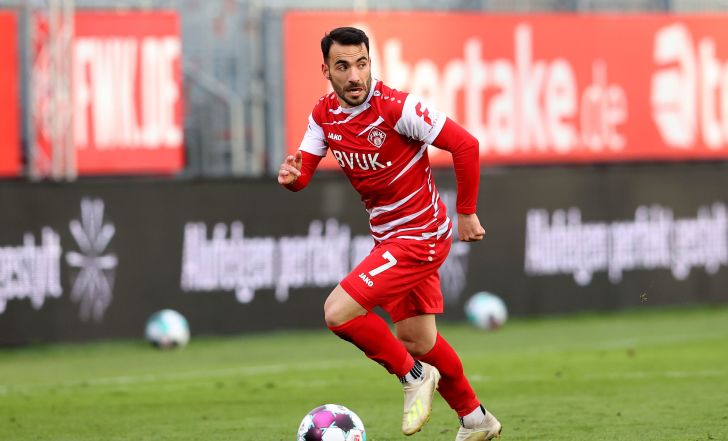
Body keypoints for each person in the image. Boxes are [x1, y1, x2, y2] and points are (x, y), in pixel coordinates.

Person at [278, 26, 502, 441]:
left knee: (337, 313)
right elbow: (303, 173)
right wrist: (292, 178)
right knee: (418, 340)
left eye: (361, 64)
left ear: (370, 63)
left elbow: (465, 145)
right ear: (326, 70)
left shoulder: (397, 107)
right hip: (390, 238)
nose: (354, 76)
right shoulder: (323, 115)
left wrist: (467, 212)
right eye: (342, 66)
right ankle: (476, 419)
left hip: (421, 235)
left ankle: (413, 376)